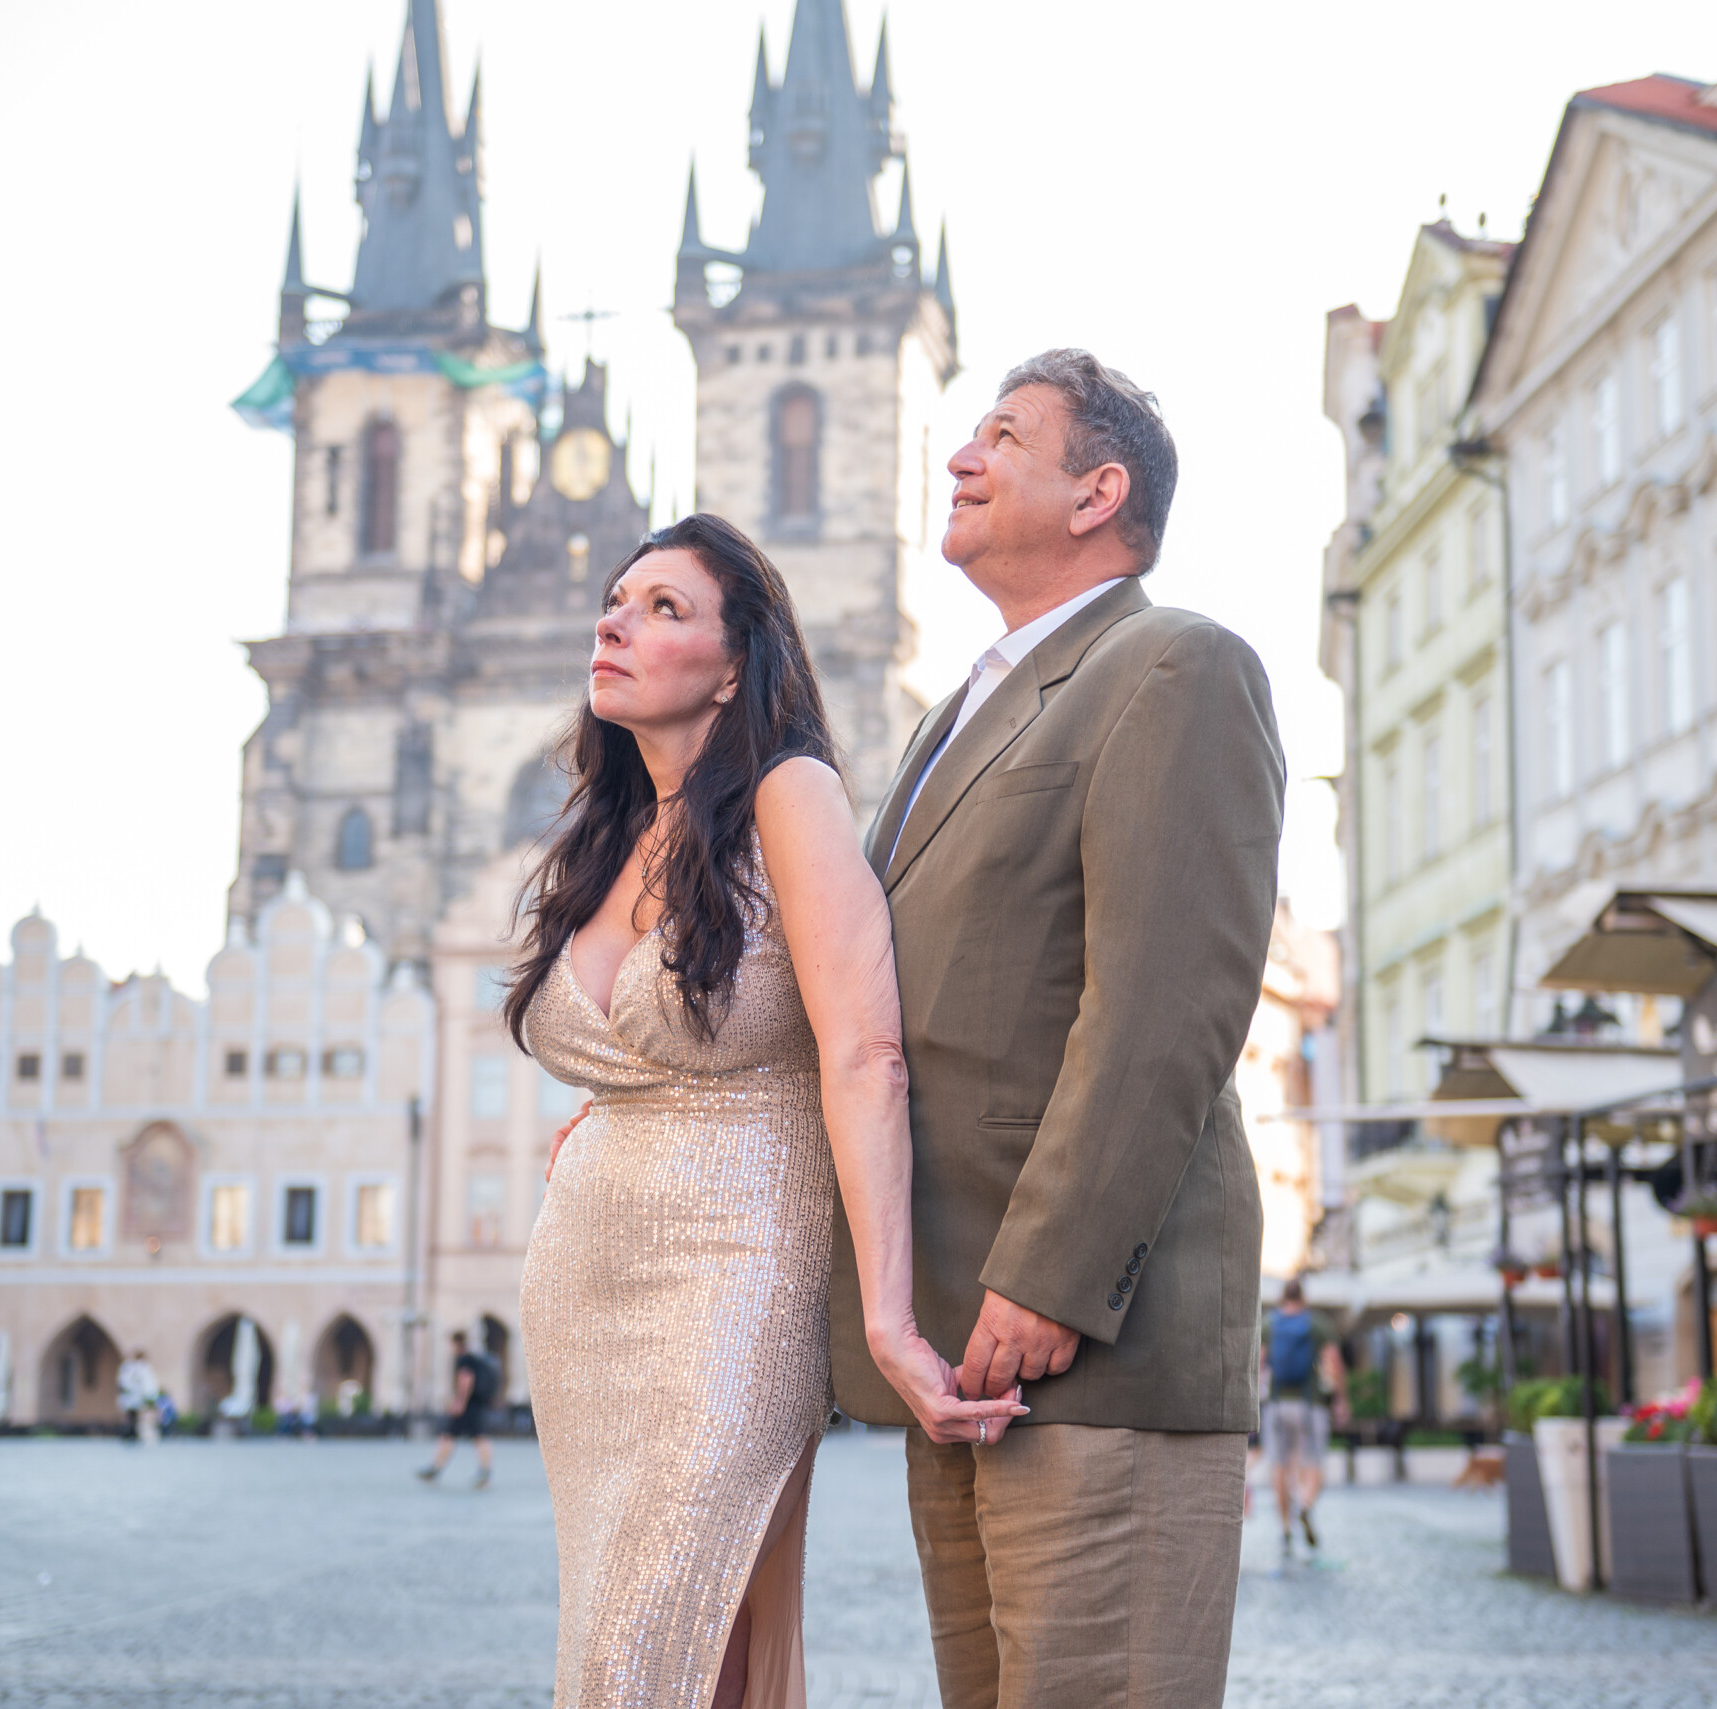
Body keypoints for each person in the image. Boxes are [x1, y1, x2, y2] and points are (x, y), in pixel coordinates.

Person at [828, 349, 1285, 1707]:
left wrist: (1053, 1275)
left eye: (1003, 437)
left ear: (1100, 492)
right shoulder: (948, 716)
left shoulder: (1171, 663)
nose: (961, 459)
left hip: (1092, 1341)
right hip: (966, 1347)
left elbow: (1163, 1002)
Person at [521, 512, 1016, 1709]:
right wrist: (609, 1111)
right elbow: (632, 1054)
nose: (615, 619)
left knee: (657, 1640)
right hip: (585, 1285)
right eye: (616, 598)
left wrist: (889, 1316)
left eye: (663, 607)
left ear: (737, 663)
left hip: (737, 1268)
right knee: (617, 1625)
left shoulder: (789, 793)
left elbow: (865, 1049)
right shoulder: (604, 832)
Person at [1265, 1279, 1343, 1559]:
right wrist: (1341, 1400)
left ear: (1282, 1297)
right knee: (1314, 1463)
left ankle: (1285, 1528)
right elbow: (1332, 1362)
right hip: (1311, 1405)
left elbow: (1260, 1361)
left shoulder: (1269, 1323)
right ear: (1304, 1297)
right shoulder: (1317, 1323)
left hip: (1276, 1405)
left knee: (1279, 1466)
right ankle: (1306, 1505)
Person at [417, 1329, 498, 1490]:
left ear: (455, 1343)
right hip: (475, 1405)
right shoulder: (474, 1358)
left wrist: (459, 1402)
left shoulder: (464, 1360)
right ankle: (483, 1470)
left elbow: (465, 1379)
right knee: (475, 1437)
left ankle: (436, 1468)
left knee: (453, 1435)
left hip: (467, 1407)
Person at [118, 1349, 160, 1446]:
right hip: (134, 1397)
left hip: (134, 1397)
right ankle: (130, 1433)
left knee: (134, 1417)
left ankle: (133, 1433)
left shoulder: (130, 1367)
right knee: (133, 1416)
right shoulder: (135, 1367)